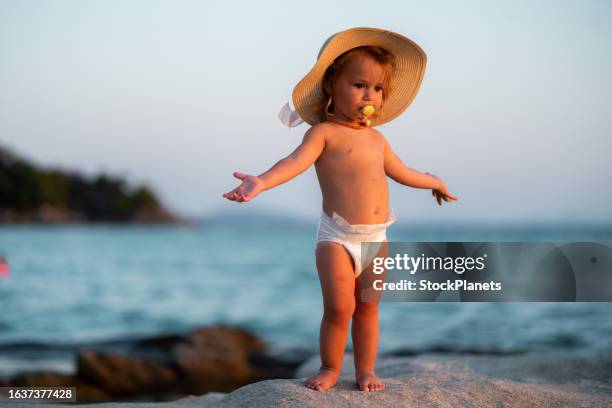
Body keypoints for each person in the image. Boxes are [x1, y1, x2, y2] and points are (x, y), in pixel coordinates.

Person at [223, 27, 457, 392]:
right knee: (338, 309)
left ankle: (365, 371)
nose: (370, 95)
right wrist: (261, 181)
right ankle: (331, 368)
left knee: (368, 308)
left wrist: (435, 182)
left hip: (376, 238)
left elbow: (403, 173)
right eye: (360, 85)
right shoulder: (323, 133)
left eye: (378, 89)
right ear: (333, 85)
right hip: (336, 237)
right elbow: (294, 162)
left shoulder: (378, 139)